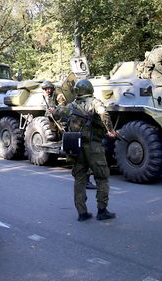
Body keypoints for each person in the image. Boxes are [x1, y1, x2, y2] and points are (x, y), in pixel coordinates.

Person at [50, 79, 118, 221]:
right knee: (102, 177)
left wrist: (53, 111)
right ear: (90, 89)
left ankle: (82, 213)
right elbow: (104, 114)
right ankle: (102, 210)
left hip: (77, 147)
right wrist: (110, 130)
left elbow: (57, 113)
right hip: (94, 146)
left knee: (80, 178)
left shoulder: (71, 105)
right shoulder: (94, 102)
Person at [42, 80, 97, 189]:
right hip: (76, 129)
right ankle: (83, 180)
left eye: (49, 88)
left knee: (80, 155)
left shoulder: (59, 95)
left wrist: (56, 111)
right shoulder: (48, 95)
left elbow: (63, 107)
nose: (47, 91)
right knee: (82, 155)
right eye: (45, 89)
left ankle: (82, 179)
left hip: (72, 123)